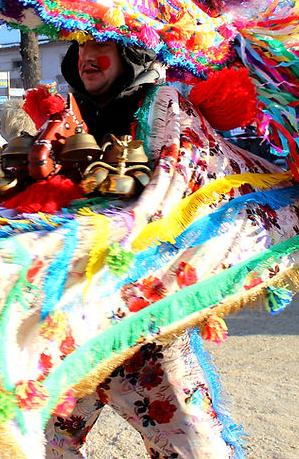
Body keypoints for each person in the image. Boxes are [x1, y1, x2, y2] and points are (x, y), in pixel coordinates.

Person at [45, 40, 238, 458]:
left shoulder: (165, 105)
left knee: (195, 451)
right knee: (44, 444)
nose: (86, 58)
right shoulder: (72, 111)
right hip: (72, 323)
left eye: (101, 47)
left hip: (145, 326)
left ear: (132, 53)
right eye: (80, 46)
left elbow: (174, 192)